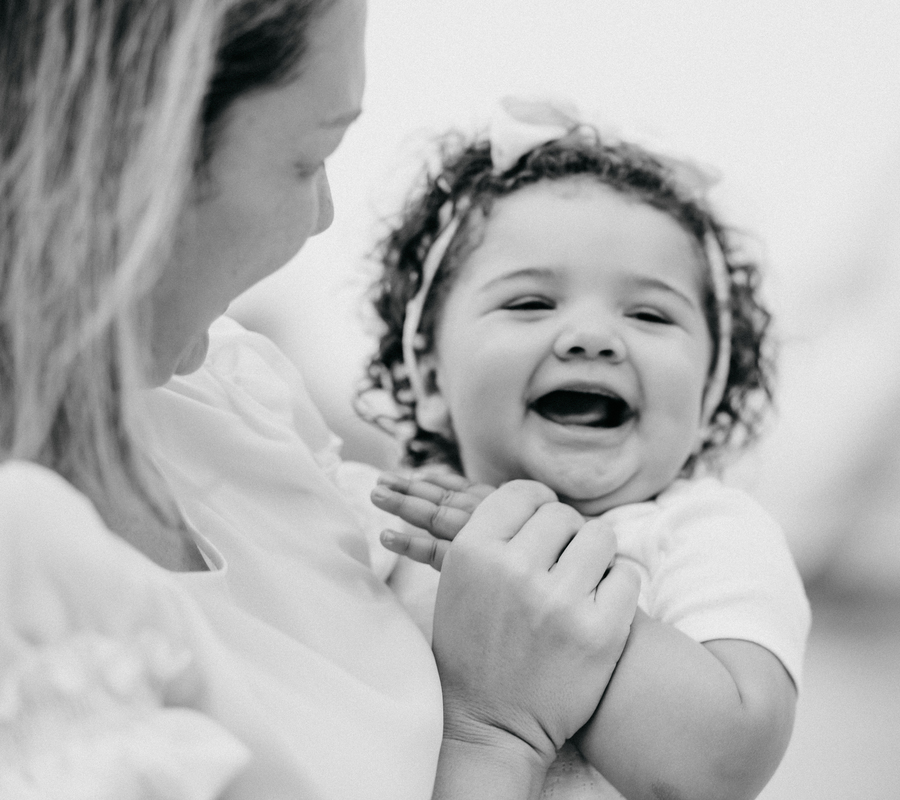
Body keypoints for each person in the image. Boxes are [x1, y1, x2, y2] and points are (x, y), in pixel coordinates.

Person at [0, 3, 640, 799]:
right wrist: (495, 735)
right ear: (116, 162)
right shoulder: (24, 592)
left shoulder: (236, 399)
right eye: (309, 159)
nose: (324, 213)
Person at [364, 99, 811, 800]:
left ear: (709, 390)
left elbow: (724, 763)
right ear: (429, 376)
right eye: (530, 304)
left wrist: (544, 574)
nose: (593, 336)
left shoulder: (703, 535)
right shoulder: (389, 528)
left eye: (649, 314)